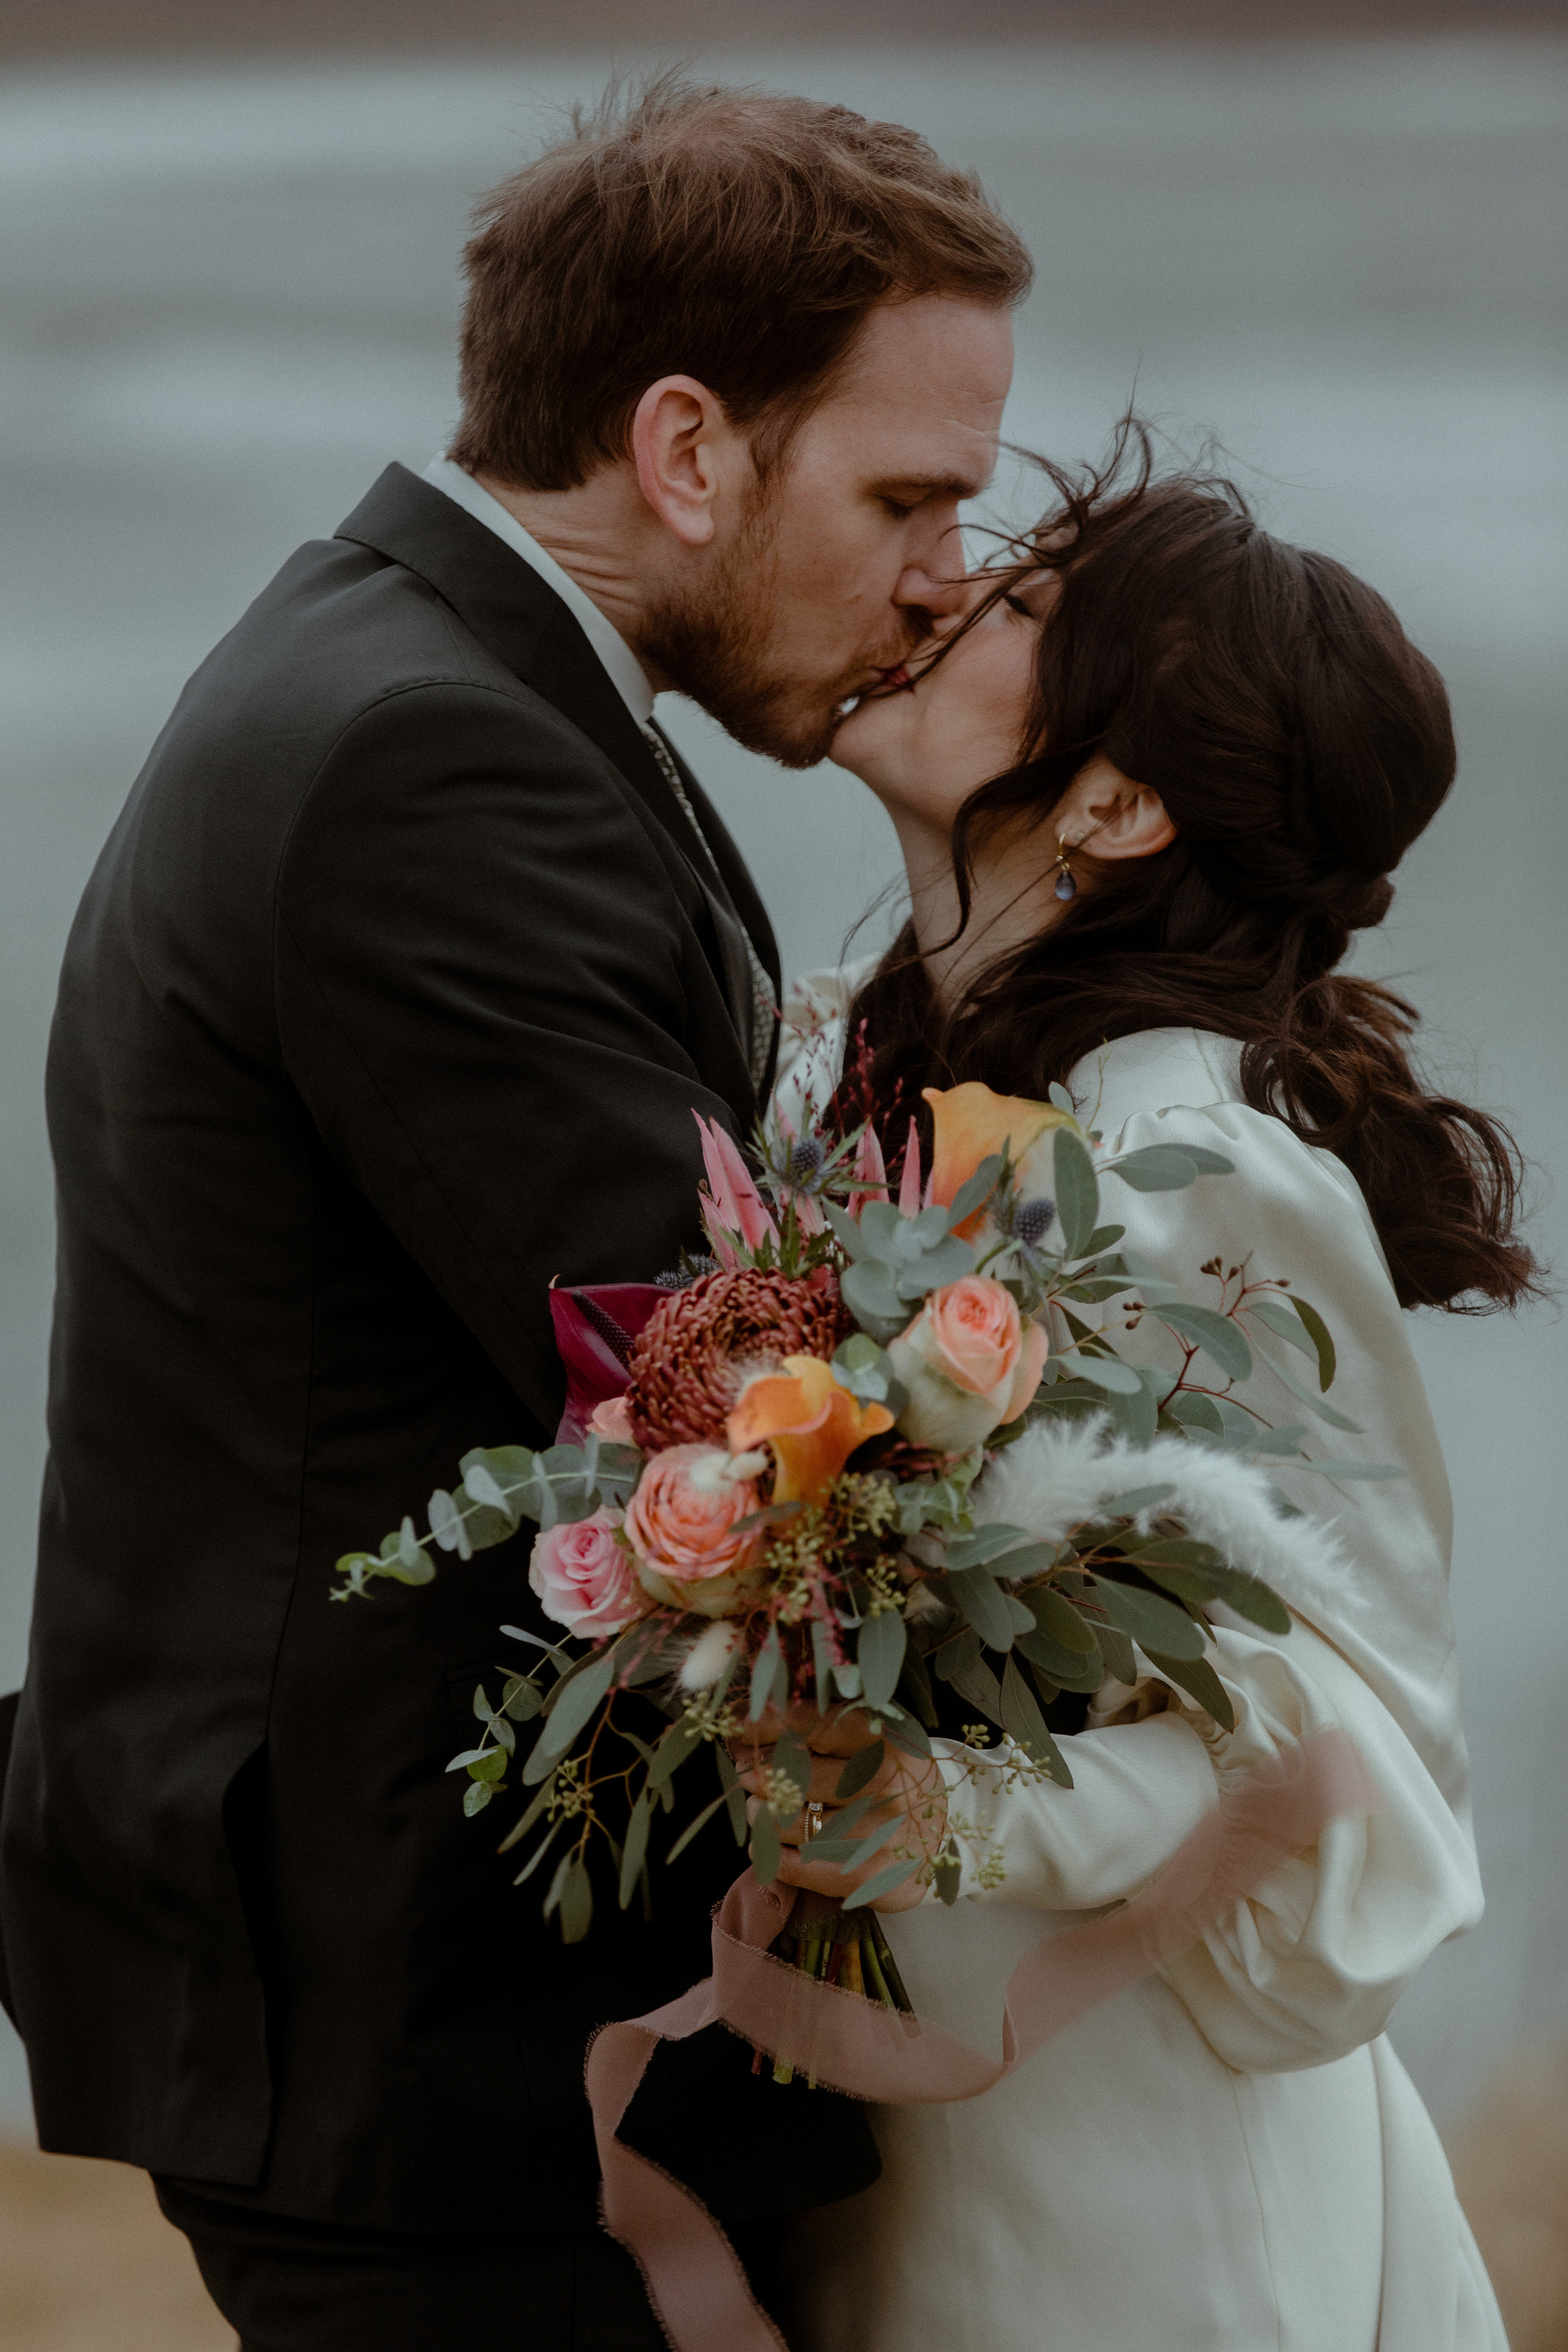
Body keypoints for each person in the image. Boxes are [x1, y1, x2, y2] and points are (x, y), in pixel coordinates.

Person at [0, 80, 1027, 2352]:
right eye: (909, 494)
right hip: (415, 2022)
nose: (950, 570)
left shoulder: (422, 669)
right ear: (686, 448)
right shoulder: (423, 757)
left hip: (419, 1989)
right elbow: (734, 1401)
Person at [752, 435, 1529, 2351]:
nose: (939, 594)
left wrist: (937, 1808)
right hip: (919, 2124)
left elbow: (1340, 1764)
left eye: (1015, 607)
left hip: (1138, 2179)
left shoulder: (1195, 1177)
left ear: (1110, 801)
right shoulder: (862, 1092)